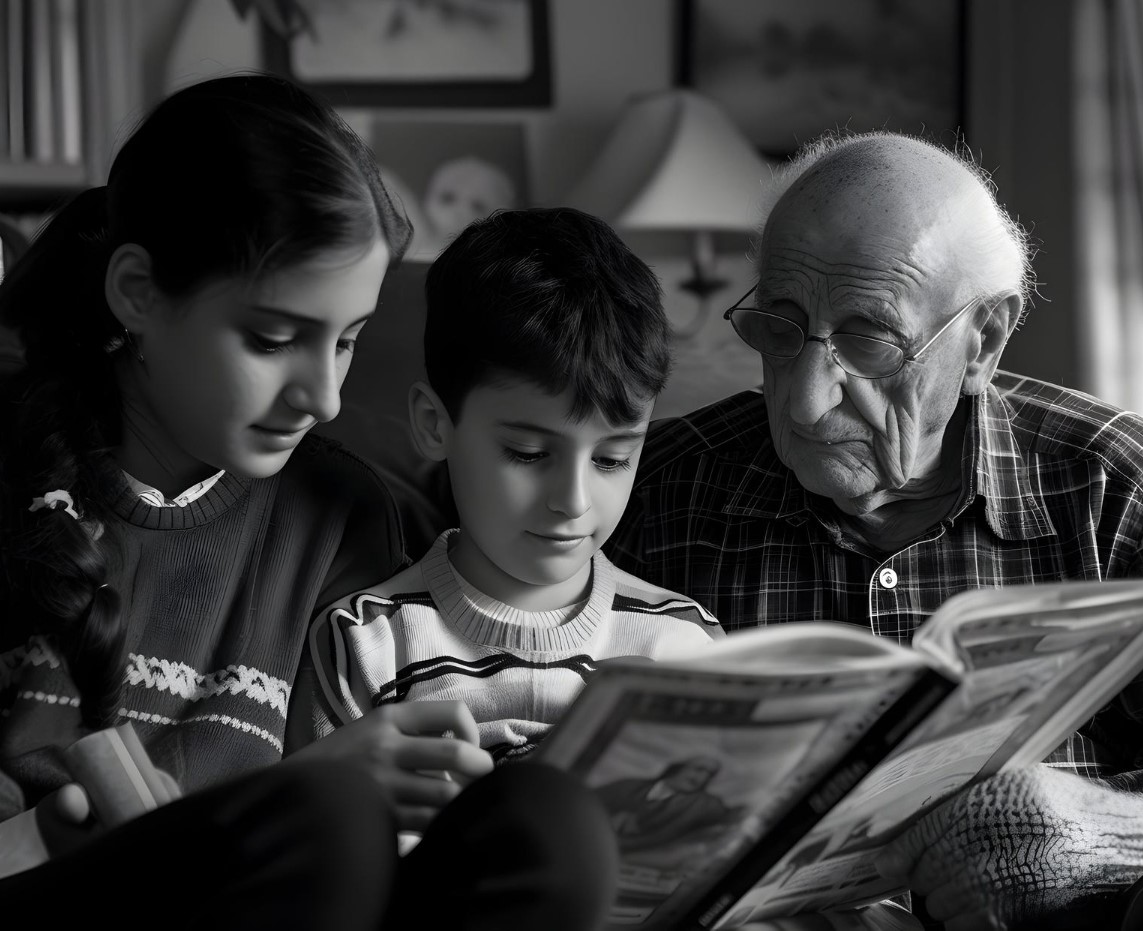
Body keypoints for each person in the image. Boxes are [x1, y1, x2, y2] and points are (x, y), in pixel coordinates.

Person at [0, 73, 616, 930]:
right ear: (138, 292)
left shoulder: (349, 514)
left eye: (351, 341)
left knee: (546, 823)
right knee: (325, 817)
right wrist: (47, 834)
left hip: (310, 889)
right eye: (273, 339)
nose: (322, 397)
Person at [604, 129, 1143, 929]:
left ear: (983, 341)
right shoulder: (657, 489)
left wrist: (1100, 832)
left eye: (867, 339)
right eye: (778, 326)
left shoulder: (1120, 489)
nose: (803, 402)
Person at [299, 206, 722, 764]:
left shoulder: (684, 646)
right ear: (434, 424)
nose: (571, 501)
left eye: (612, 459)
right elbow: (312, 835)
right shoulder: (364, 645)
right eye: (528, 453)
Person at [597, 755, 743, 854]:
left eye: (709, 774)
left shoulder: (705, 805)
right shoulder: (627, 786)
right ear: (678, 767)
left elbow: (731, 819)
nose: (702, 778)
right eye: (699, 769)